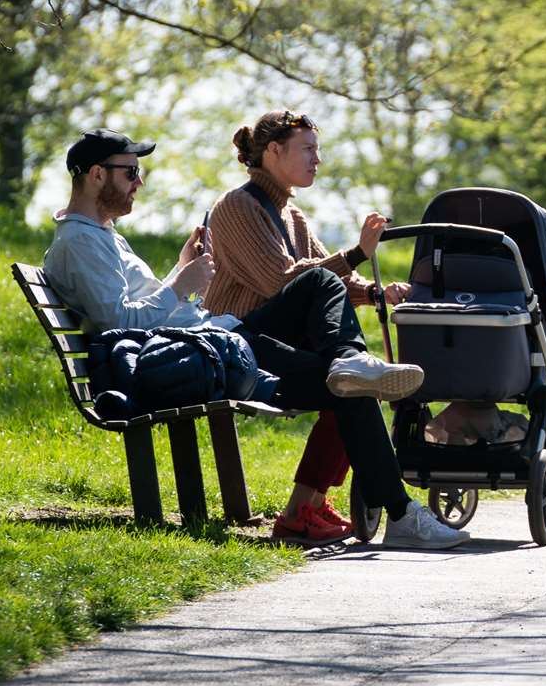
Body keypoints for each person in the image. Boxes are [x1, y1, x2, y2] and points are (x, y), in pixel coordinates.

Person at [41, 128, 467, 549]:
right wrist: (179, 285)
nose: (140, 181)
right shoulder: (80, 242)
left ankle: (351, 371)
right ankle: (398, 511)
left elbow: (140, 309)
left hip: (215, 341)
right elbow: (121, 322)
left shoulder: (103, 235)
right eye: (130, 172)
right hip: (202, 355)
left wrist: (180, 269)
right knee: (348, 380)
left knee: (326, 303)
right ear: (97, 175)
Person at [202, 110, 412, 546]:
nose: (318, 159)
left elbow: (328, 282)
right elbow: (285, 281)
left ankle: (302, 512)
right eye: (309, 149)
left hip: (272, 343)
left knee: (351, 385)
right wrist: (355, 253)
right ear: (274, 151)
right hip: (237, 345)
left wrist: (376, 293)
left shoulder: (291, 214)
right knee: (346, 364)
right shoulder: (236, 207)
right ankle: (400, 512)